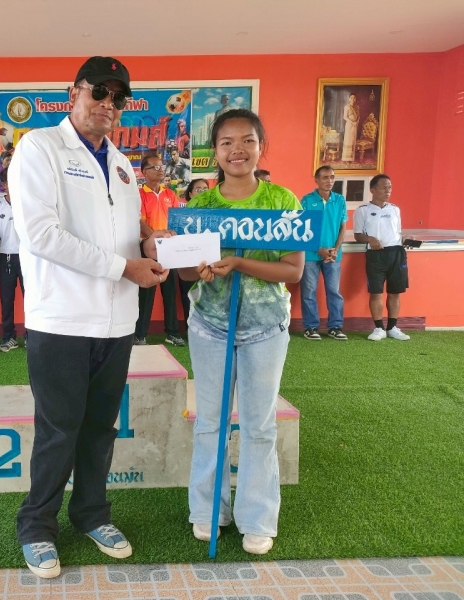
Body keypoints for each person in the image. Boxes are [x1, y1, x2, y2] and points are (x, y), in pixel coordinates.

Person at [10, 56, 169, 579]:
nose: (108, 104)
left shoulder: (121, 164)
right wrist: (124, 267)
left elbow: (127, 228)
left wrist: (148, 241)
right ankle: (37, 526)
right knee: (59, 430)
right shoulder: (40, 147)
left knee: (101, 427)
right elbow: (41, 235)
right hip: (61, 320)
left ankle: (92, 515)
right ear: (73, 92)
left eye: (118, 98)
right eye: (99, 91)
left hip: (117, 322)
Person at [178, 109, 304, 556]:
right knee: (210, 422)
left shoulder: (282, 201)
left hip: (266, 328)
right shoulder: (200, 208)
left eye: (247, 140)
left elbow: (292, 270)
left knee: (258, 425)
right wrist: (197, 270)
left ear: (260, 147)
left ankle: (257, 516)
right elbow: (184, 274)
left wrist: (239, 263)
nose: (237, 150)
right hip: (210, 327)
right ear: (214, 151)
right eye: (227, 142)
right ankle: (208, 510)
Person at [353, 174, 412, 341]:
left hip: (396, 254)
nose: (388, 191)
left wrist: (405, 239)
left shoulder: (395, 209)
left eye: (390, 187)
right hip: (376, 255)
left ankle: (392, 327)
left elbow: (397, 232)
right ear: (372, 190)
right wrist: (369, 239)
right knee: (376, 292)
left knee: (395, 292)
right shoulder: (363, 210)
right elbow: (358, 235)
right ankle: (379, 328)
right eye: (384, 187)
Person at [135, 153, 184, 347]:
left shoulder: (170, 194)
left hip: (169, 249)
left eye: (161, 167)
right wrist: (154, 240)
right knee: (146, 292)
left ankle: (172, 332)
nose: (160, 170)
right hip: (148, 249)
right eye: (155, 167)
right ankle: (140, 334)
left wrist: (168, 240)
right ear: (144, 172)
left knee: (170, 292)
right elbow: (140, 222)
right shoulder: (140, 194)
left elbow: (175, 221)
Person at [300, 166, 348, 340]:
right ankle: (311, 327)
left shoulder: (339, 200)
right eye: (325, 177)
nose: (329, 181)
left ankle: (335, 326)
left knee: (334, 291)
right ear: (317, 180)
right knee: (309, 292)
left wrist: (336, 249)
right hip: (311, 255)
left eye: (332, 177)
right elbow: (302, 228)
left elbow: (343, 227)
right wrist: (318, 249)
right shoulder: (306, 200)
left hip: (333, 255)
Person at [0, 167, 24, 353]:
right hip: (7, 258)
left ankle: (32, 336)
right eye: (10, 181)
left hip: (29, 258)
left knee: (31, 298)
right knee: (7, 298)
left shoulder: (29, 204)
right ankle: (9, 337)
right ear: (4, 185)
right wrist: (7, 248)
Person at [177, 178, 211, 328]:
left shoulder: (214, 213)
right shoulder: (183, 216)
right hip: (189, 260)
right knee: (188, 294)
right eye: (198, 189)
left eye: (205, 189)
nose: (202, 192)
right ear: (190, 194)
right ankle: (190, 327)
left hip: (209, 262)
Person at [341, 94, 359, 162]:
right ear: (349, 99)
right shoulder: (347, 107)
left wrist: (356, 122)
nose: (352, 99)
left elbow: (358, 116)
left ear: (355, 99)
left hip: (355, 125)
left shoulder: (357, 107)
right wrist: (352, 122)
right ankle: (346, 159)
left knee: (353, 140)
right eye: (351, 97)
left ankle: (352, 158)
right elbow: (345, 117)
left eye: (354, 98)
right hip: (349, 125)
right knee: (348, 140)